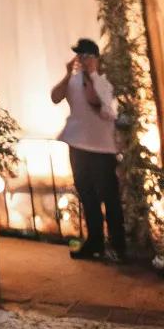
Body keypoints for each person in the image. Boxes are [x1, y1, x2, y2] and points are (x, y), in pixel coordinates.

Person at [51, 37, 126, 262]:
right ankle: (95, 242)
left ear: (95, 59)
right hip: (78, 144)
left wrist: (92, 74)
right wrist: (67, 75)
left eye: (86, 56)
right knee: (87, 196)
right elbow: (55, 97)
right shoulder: (72, 81)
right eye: (79, 56)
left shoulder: (102, 81)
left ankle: (118, 246)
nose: (82, 60)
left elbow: (101, 108)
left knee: (109, 197)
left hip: (103, 149)